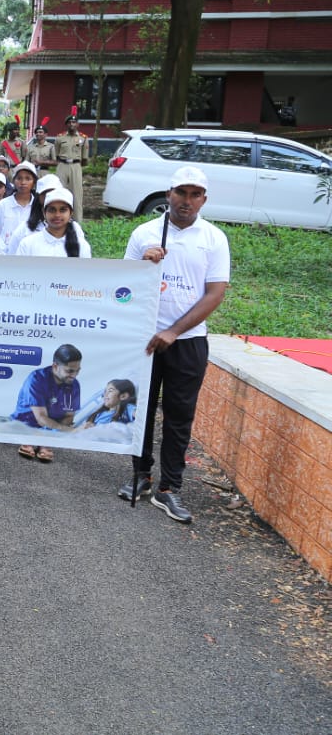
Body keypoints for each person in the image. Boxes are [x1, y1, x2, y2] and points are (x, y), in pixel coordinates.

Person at [118, 166, 230, 523]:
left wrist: (175, 331)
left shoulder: (213, 238)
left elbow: (215, 294)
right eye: (181, 192)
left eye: (195, 194)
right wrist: (143, 266)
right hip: (144, 340)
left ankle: (170, 488)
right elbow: (122, 289)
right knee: (142, 410)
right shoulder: (144, 233)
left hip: (188, 342)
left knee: (180, 415)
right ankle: (141, 475)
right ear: (169, 194)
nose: (187, 200)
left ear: (204, 199)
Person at [11, 344, 83, 463]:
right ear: (55, 366)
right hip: (27, 421)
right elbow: (40, 417)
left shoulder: (74, 384)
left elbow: (69, 416)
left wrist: (50, 434)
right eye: (69, 371)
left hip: (52, 426)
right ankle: (31, 438)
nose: (74, 375)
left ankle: (43, 442)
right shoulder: (36, 378)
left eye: (77, 371)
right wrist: (65, 429)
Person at [15, 189, 92, 258]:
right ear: (44, 213)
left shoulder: (82, 246)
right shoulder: (28, 244)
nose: (57, 215)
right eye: (52, 210)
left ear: (71, 213)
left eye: (62, 210)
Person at [54, 114, 88, 218]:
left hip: (76, 166)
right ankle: (60, 218)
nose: (71, 124)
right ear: (66, 125)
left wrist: (77, 166)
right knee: (59, 192)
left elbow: (85, 158)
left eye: (74, 122)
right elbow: (56, 154)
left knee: (77, 195)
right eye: (69, 122)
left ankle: (78, 223)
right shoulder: (60, 138)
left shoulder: (83, 138)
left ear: (77, 124)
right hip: (62, 165)